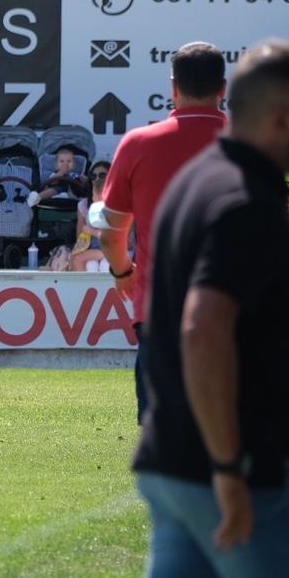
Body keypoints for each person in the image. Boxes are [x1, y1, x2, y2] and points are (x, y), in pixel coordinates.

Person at [120, 40, 289, 578]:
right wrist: (228, 471)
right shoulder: (247, 201)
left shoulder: (199, 182)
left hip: (176, 460)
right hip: (240, 472)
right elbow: (202, 329)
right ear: (279, 118)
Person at [100, 42, 227, 422]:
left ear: (173, 87)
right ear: (223, 88)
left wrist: (123, 271)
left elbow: (110, 232)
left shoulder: (139, 144)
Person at [70, 161, 111, 273]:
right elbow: (81, 239)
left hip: (118, 249)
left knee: (105, 265)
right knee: (90, 265)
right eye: (93, 176)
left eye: (102, 175)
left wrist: (91, 231)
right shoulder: (84, 205)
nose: (97, 179)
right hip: (95, 249)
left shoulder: (119, 204)